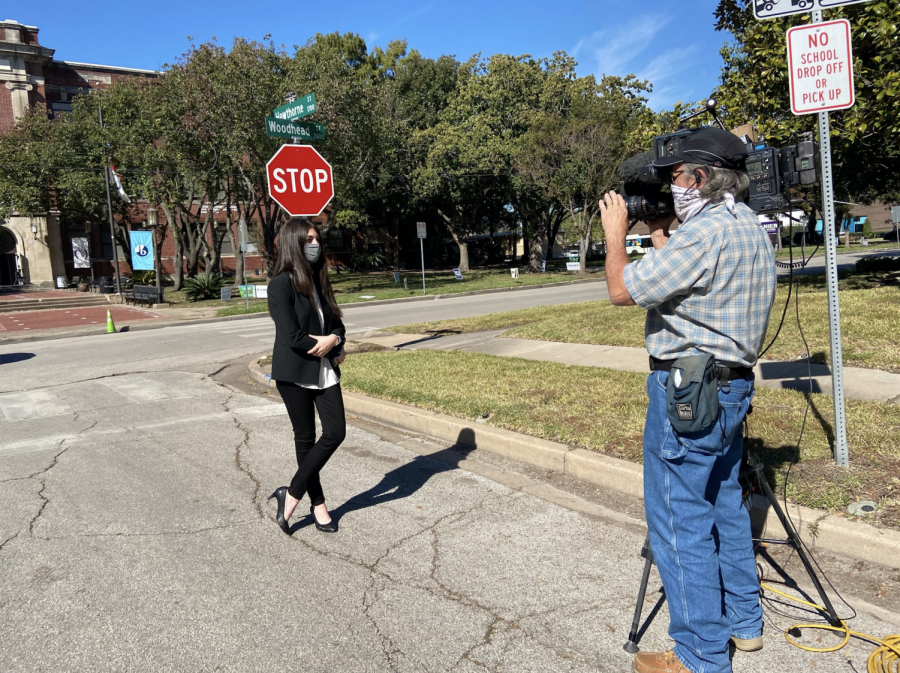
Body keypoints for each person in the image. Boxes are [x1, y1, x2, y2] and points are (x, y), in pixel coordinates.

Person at [599, 127, 776, 673]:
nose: (671, 188)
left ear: (699, 177)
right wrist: (658, 232)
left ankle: (700, 658)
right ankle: (745, 625)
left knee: (679, 522)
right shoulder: (747, 227)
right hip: (731, 387)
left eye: (675, 177)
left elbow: (622, 289)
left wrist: (615, 235)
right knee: (725, 503)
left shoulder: (704, 235)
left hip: (688, 391)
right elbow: (682, 283)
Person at [266, 217, 347, 536]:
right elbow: (292, 336)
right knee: (305, 438)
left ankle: (292, 492)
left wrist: (337, 340)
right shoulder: (280, 285)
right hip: (294, 372)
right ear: (293, 245)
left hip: (325, 371)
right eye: (308, 240)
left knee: (335, 432)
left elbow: (336, 323)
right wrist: (328, 345)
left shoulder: (319, 278)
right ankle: (318, 504)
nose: (315, 245)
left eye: (316, 239)